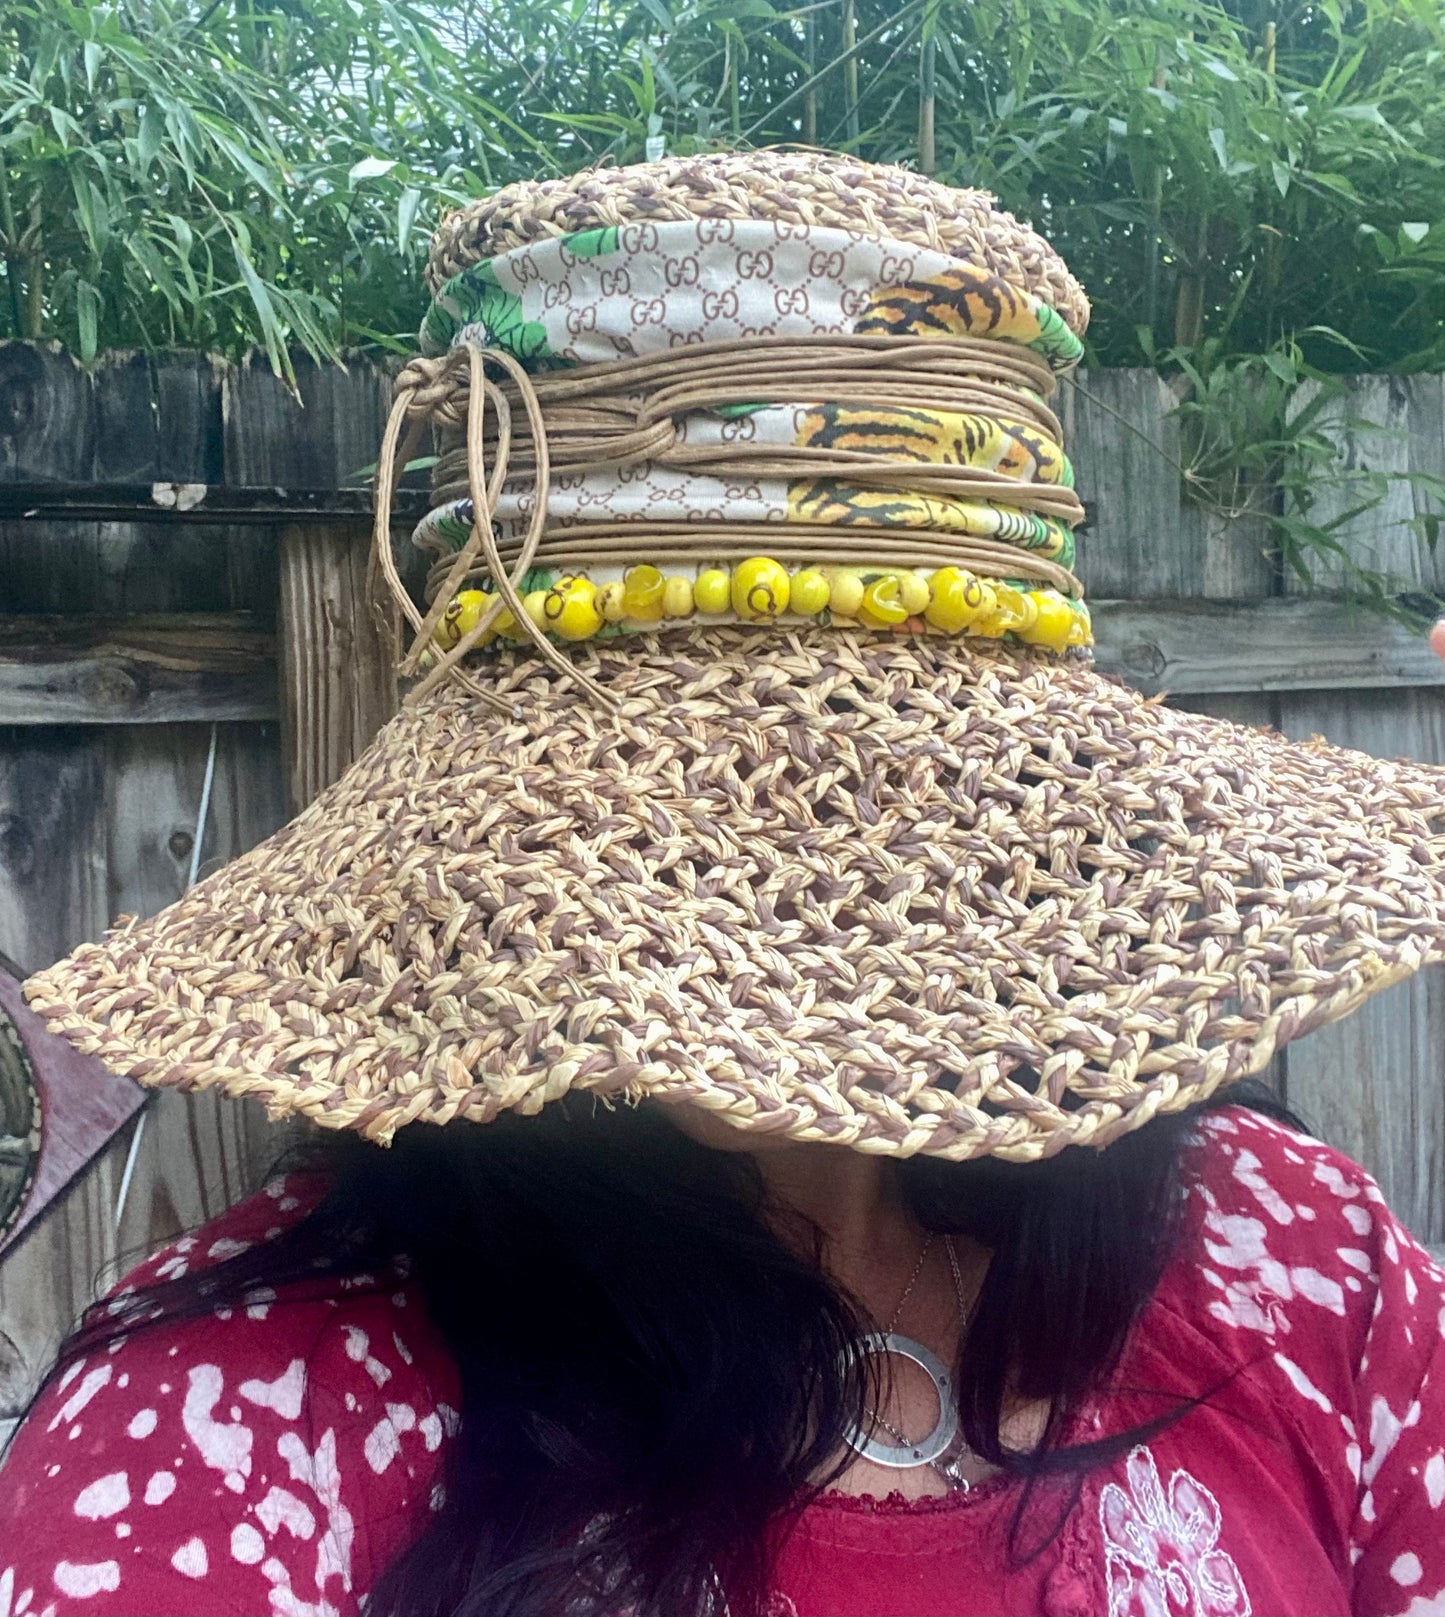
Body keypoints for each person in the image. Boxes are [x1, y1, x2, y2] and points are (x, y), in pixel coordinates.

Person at [2, 151, 1444, 1617]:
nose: (787, 902)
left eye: (891, 788)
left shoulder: (1295, 1253)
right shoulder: (226, 1424)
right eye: (673, 812)